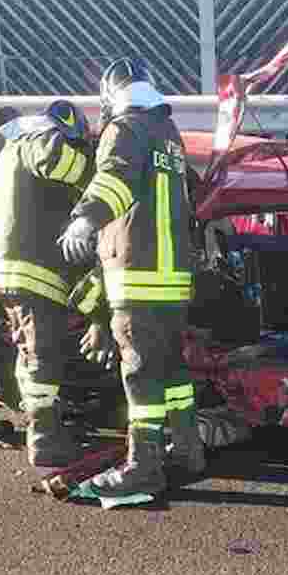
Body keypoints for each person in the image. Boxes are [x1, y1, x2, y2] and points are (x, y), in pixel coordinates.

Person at [59, 56, 206, 498]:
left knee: (140, 374)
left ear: (111, 95)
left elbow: (116, 180)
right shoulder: (168, 134)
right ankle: (188, 452)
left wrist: (84, 219)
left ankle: (143, 468)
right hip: (173, 278)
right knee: (172, 369)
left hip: (137, 274)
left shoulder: (124, 129)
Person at [0, 99, 114, 467]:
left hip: (11, 269)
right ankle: (44, 439)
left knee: (31, 352)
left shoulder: (12, 151)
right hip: (31, 271)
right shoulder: (36, 141)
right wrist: (101, 167)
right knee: (43, 355)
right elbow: (63, 162)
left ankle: (43, 426)